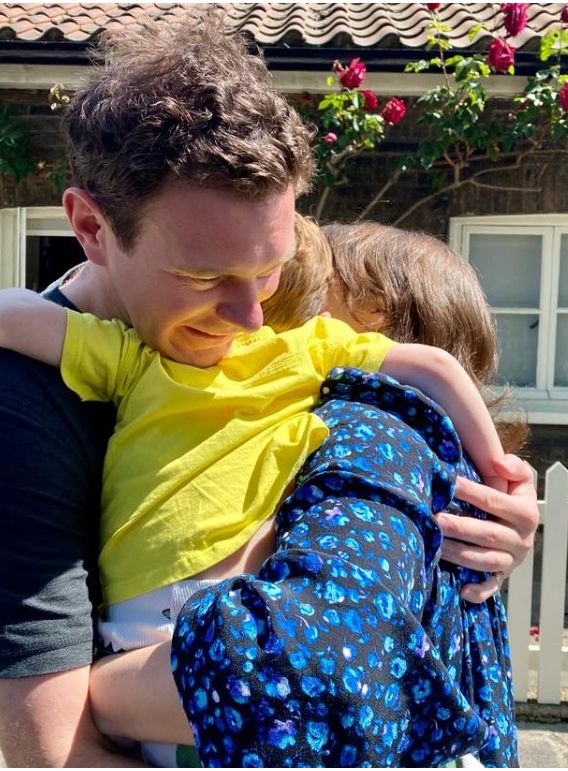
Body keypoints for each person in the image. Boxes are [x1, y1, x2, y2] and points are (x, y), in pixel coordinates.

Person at [0, 12, 536, 769]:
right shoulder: (27, 407)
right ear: (90, 225)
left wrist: (487, 502)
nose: (252, 314)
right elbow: (52, 751)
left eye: (269, 268)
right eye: (206, 277)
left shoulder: (292, 329)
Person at [87, 219, 525, 768]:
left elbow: (316, 668)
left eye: (307, 298)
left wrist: (86, 693)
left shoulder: (371, 432)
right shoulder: (427, 463)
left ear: (383, 325)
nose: (260, 319)